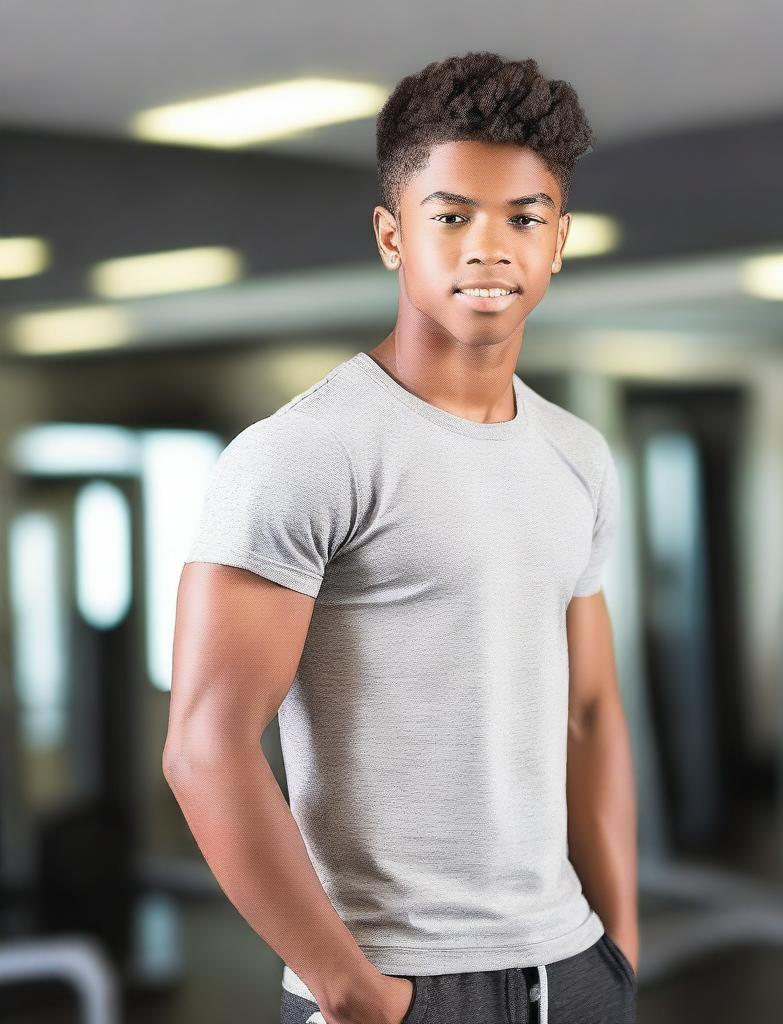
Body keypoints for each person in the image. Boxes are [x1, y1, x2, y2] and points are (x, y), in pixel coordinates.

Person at [164, 50, 638, 1024]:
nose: (488, 246)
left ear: (560, 241)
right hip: (391, 984)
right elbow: (204, 745)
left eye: (523, 217)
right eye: (450, 215)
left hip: (571, 969)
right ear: (392, 235)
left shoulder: (577, 455)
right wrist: (357, 992)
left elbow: (589, 709)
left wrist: (618, 952)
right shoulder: (304, 452)